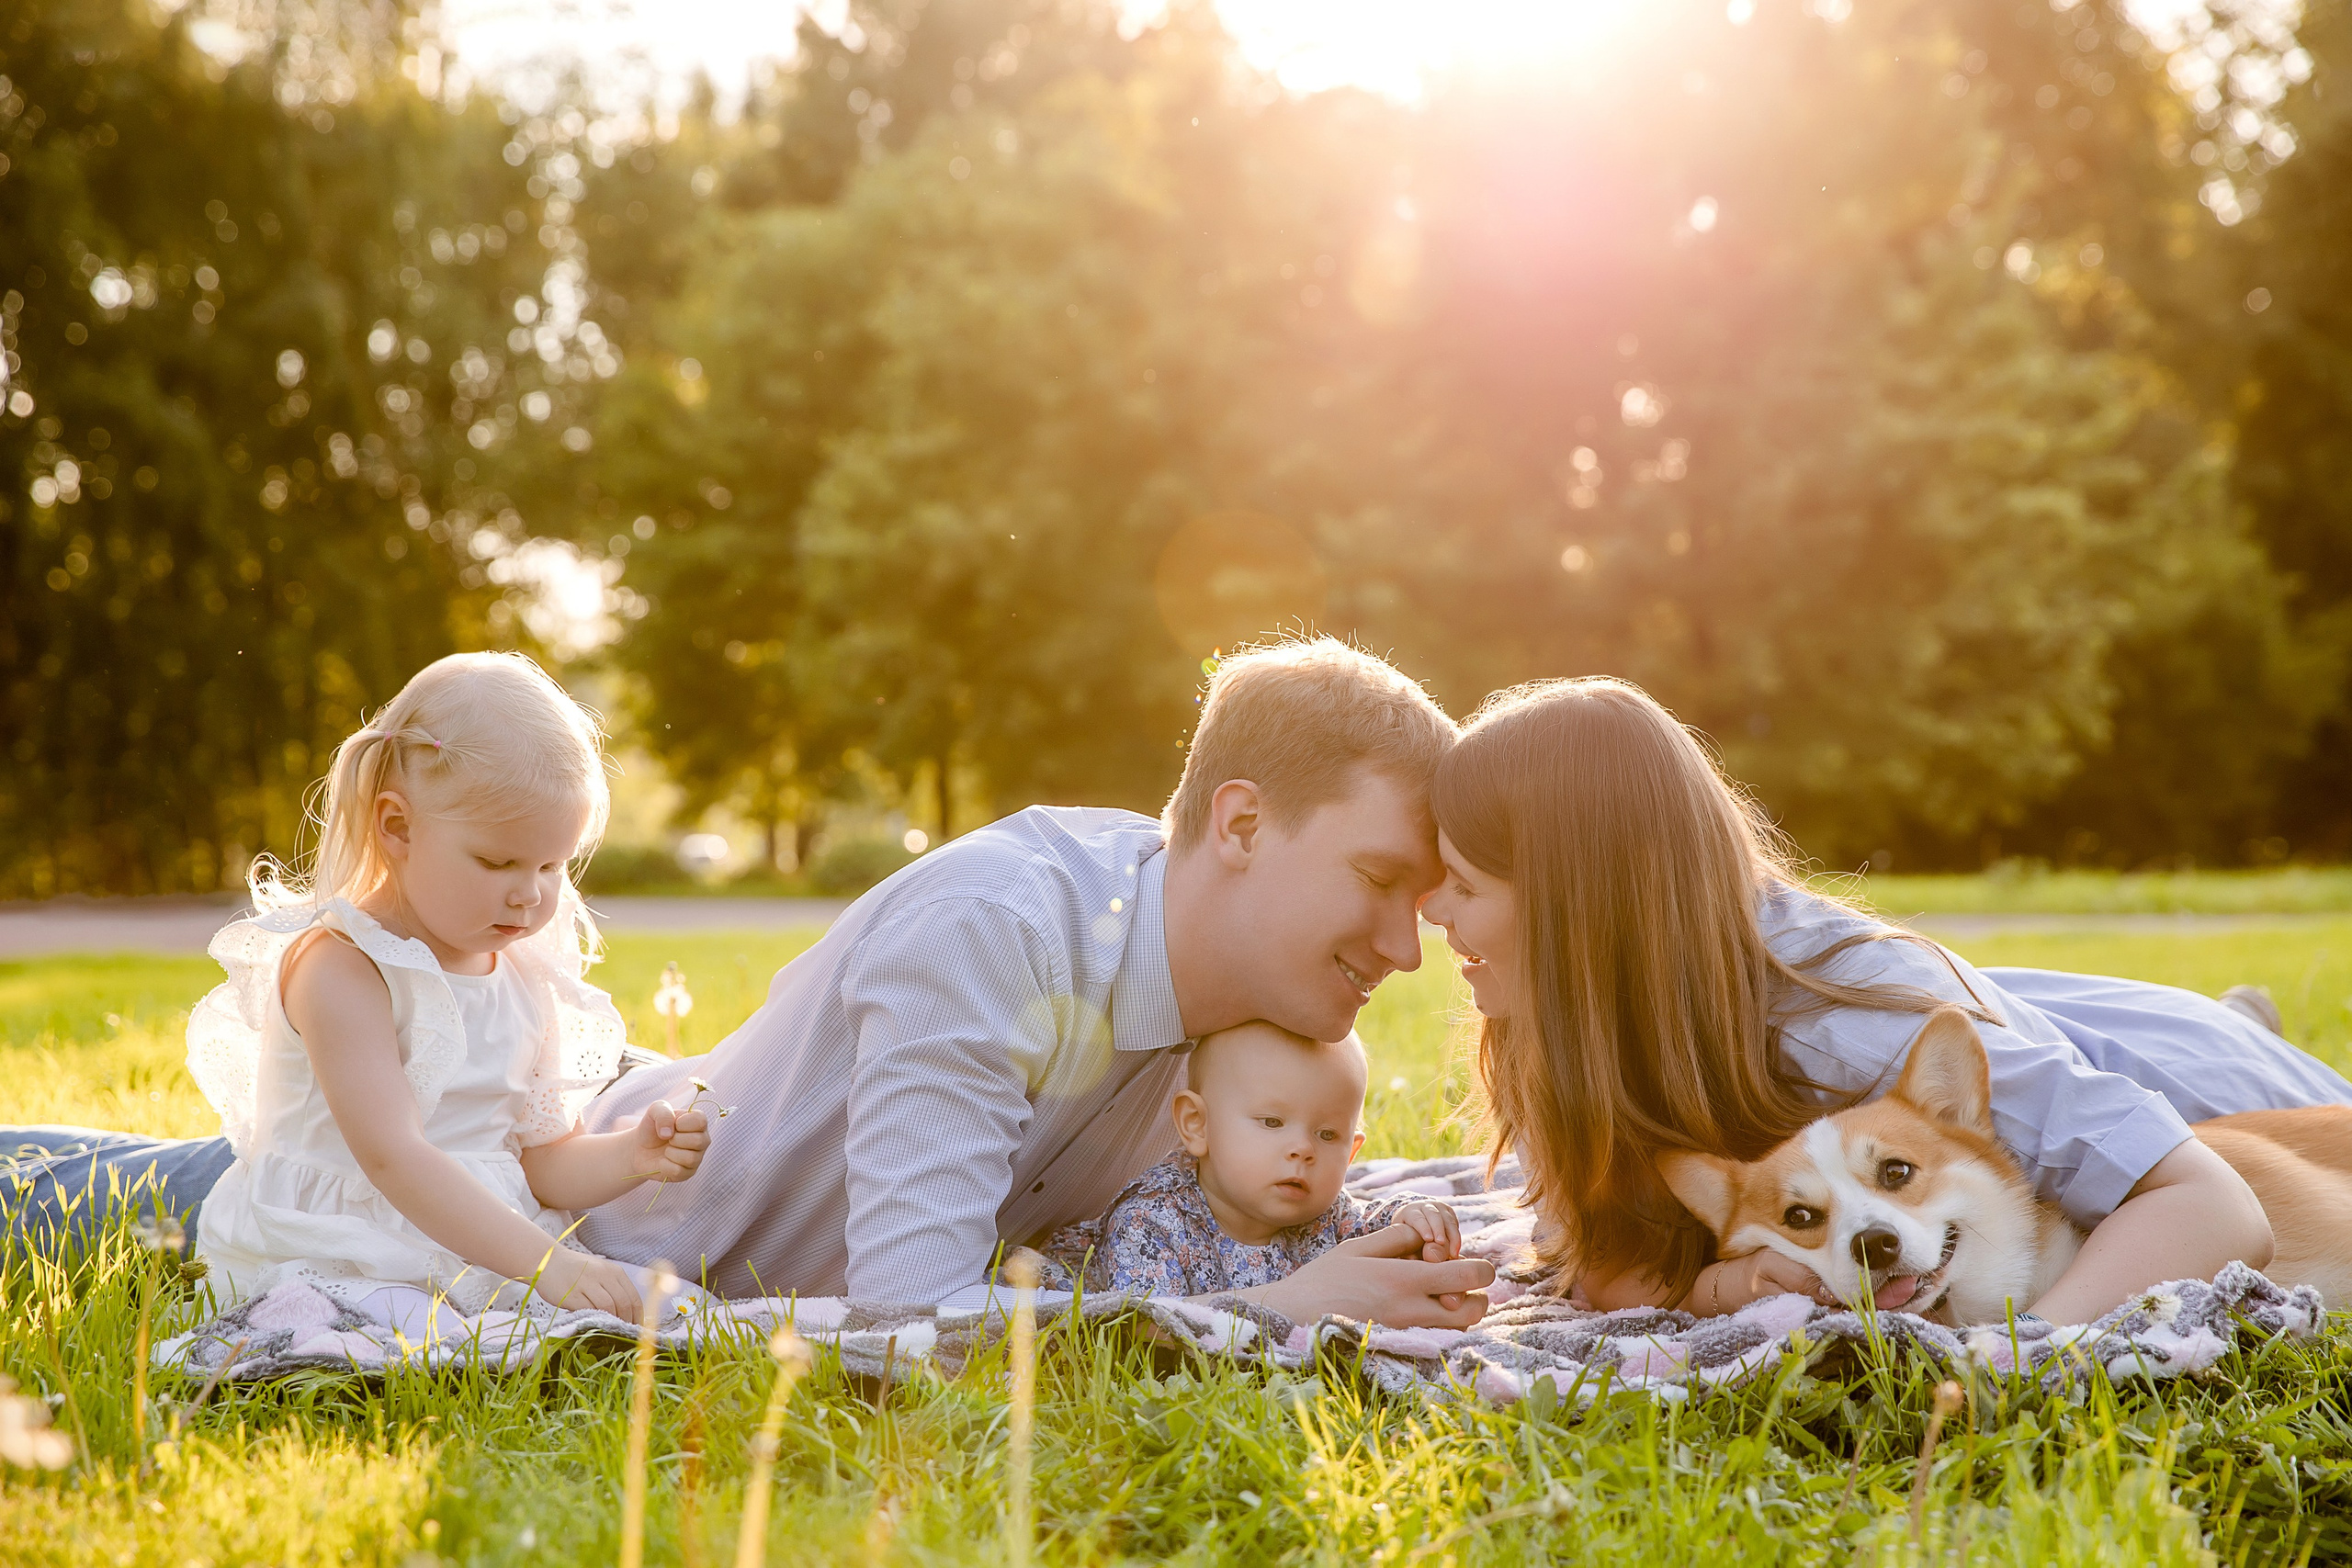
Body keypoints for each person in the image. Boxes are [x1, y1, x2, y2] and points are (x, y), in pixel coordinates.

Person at [6, 638, 1495, 1328]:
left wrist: (1352, 1237)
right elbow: (912, 1325)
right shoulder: (1004, 935)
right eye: (1380, 880)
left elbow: (1203, 1203)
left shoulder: (1222, 970)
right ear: (1239, 824)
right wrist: (1285, 1308)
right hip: (565, 1216)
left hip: (575, 1158)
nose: (1406, 943)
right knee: (163, 1199)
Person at [1417, 676, 2351, 1325]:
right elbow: (1605, 1267)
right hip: (2024, 1019)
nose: (1431, 909)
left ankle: (2234, 1024)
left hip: (2202, 1100)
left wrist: (2025, 1358)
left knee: (2162, 1068)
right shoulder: (1564, 1032)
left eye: (1462, 884)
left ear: (1578, 909)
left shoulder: (1850, 1025)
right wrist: (1734, 1284)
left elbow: (2217, 1205)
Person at [185, 653, 707, 1321]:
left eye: (553, 865)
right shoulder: (345, 967)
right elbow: (393, 1158)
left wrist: (632, 1155)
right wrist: (548, 1265)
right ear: (397, 826)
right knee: (384, 1329)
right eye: (499, 861)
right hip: (343, 1247)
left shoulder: (525, 973)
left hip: (487, 1247)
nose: (530, 894)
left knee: (666, 1309)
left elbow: (540, 1162)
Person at [1032, 1021, 1461, 1295]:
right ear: (1198, 1125)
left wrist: (1411, 1218)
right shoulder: (1152, 1221)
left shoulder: (1324, 1215)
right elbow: (1156, 1327)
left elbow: (1371, 1228)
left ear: (1351, 1154)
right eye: (1272, 1122)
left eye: (1327, 1134)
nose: (1303, 1149)